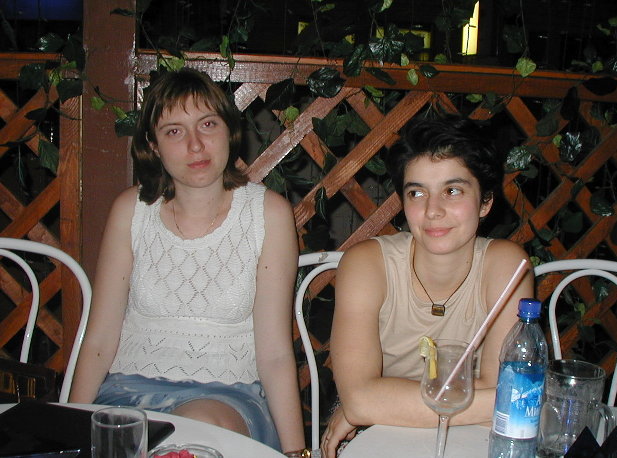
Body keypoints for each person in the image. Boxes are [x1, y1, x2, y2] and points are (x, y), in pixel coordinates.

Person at [69, 68, 307, 455]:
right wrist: (71, 426)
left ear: (229, 130)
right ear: (154, 145)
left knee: (194, 432)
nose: (196, 145)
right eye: (174, 131)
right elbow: (98, 341)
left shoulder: (267, 215)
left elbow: (276, 355)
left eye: (207, 124)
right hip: (127, 396)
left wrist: (296, 453)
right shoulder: (131, 211)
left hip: (225, 400)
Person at [321, 116, 534, 457]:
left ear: (485, 202)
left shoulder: (508, 267)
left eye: (452, 191)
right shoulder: (366, 264)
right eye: (417, 193)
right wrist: (363, 404)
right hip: (378, 438)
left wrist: (379, 402)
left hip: (470, 438)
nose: (433, 210)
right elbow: (358, 400)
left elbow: (502, 393)